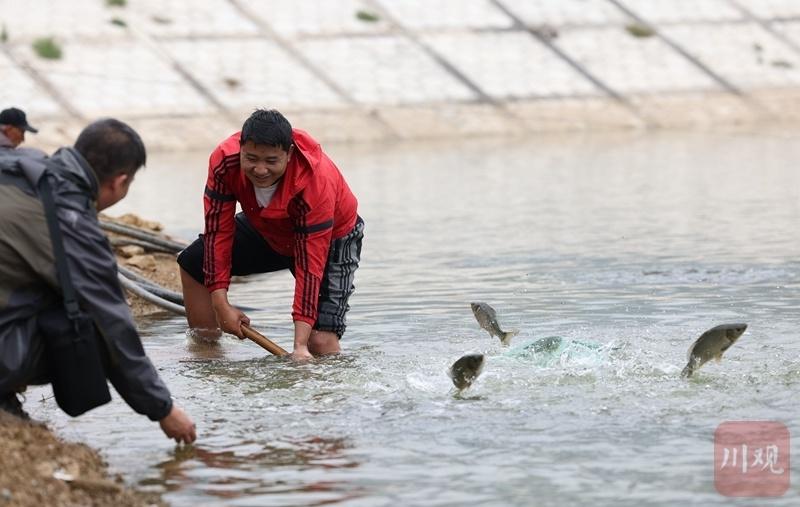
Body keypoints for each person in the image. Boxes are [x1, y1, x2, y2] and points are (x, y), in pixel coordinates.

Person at [0, 118, 196, 444]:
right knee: (80, 325)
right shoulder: (70, 219)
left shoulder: (23, 164)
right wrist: (163, 409)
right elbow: (113, 325)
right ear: (119, 182)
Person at [177, 109, 364, 361]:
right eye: (251, 158)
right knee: (193, 263)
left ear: (289, 153)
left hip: (330, 237)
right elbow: (217, 232)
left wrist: (299, 346)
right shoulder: (225, 161)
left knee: (318, 340)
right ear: (240, 148)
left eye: (271, 161)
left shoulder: (314, 183)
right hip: (266, 225)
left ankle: (329, 395)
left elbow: (310, 267)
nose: (260, 170)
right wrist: (221, 305)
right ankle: (208, 356)